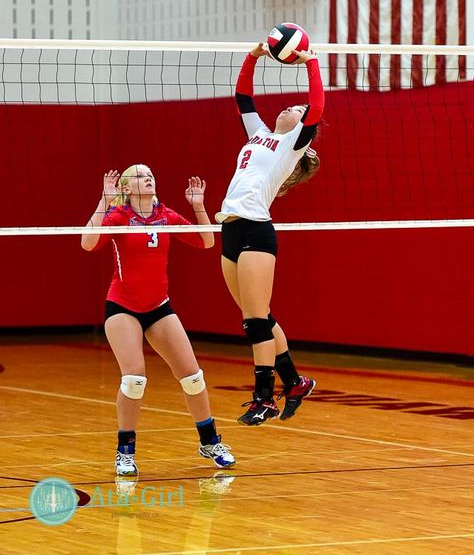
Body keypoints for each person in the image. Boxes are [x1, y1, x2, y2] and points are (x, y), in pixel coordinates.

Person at [81, 164, 235, 476]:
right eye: (139, 175)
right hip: (122, 306)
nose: (148, 177)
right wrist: (104, 202)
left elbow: (206, 241)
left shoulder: (166, 215)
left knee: (193, 377)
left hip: (158, 307)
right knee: (134, 378)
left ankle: (210, 442)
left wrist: (198, 206)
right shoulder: (119, 217)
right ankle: (125, 451)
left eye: (150, 173)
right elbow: (87, 242)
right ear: (126, 186)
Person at [216, 44, 325, 426]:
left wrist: (311, 62)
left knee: (255, 322)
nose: (290, 108)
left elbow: (317, 107)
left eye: (297, 110)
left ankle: (264, 399)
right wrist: (254, 56)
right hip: (229, 229)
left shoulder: (292, 145)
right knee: (257, 314)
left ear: (301, 125)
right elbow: (243, 95)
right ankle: (294, 381)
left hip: (256, 232)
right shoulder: (259, 133)